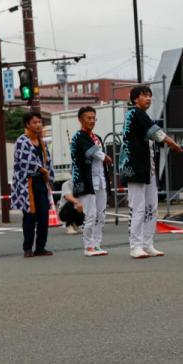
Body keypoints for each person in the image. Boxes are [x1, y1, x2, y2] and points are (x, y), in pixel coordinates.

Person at [118, 85, 183, 259]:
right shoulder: (134, 113)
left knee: (151, 207)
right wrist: (172, 143)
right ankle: (135, 245)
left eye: (150, 95)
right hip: (135, 168)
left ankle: (147, 244)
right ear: (134, 99)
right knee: (138, 207)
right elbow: (156, 132)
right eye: (144, 95)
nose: (148, 98)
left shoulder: (142, 115)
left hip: (147, 168)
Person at [12, 111, 54, 258]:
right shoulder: (22, 141)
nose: (38, 125)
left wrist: (48, 174)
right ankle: (27, 248)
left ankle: (40, 247)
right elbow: (25, 162)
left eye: (40, 122)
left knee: (43, 216)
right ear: (27, 125)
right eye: (34, 122)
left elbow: (48, 161)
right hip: (27, 183)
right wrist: (41, 169)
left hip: (41, 182)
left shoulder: (42, 142)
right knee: (30, 216)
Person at [70, 106, 110, 257]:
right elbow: (90, 152)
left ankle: (97, 243)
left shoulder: (97, 137)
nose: (92, 121)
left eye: (94, 118)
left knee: (101, 214)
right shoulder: (78, 136)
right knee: (90, 214)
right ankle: (88, 246)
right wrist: (104, 156)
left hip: (100, 179)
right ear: (80, 120)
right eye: (89, 118)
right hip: (86, 180)